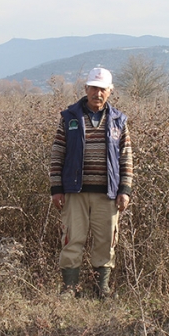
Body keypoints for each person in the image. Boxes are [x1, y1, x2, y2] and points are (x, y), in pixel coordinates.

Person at [49, 67, 133, 299]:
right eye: (94, 88)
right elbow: (58, 153)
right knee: (72, 238)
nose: (98, 93)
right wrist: (56, 188)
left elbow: (126, 156)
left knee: (106, 241)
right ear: (85, 89)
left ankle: (101, 288)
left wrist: (124, 190)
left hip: (108, 193)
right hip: (74, 191)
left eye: (103, 89)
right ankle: (69, 288)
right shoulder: (69, 117)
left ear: (110, 91)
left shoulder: (119, 120)